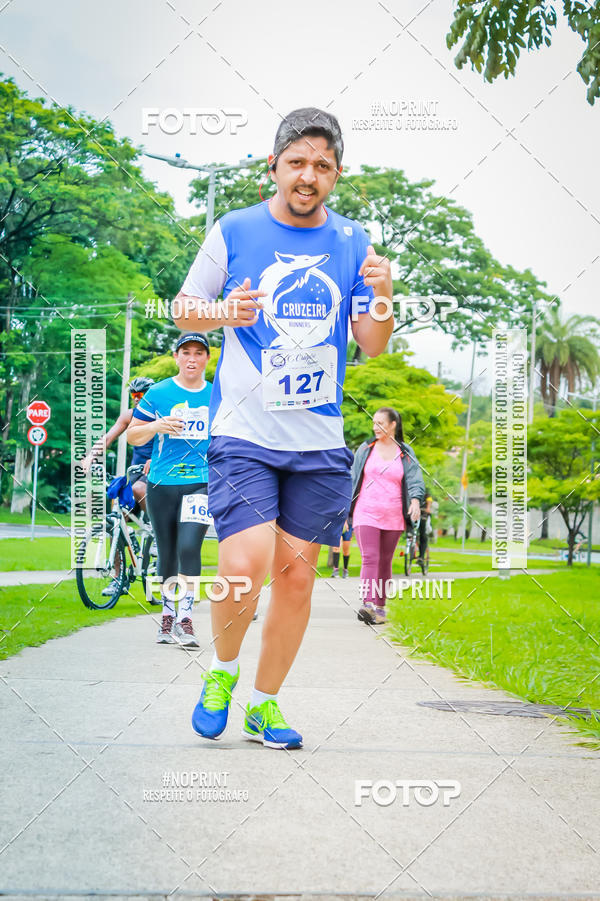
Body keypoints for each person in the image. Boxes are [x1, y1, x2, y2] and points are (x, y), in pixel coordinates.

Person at [173, 107, 394, 749]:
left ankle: (263, 705)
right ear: (273, 166)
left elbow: (372, 345)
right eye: (297, 161)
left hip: (318, 444)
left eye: (322, 165)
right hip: (245, 434)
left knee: (297, 577)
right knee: (243, 565)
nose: (308, 175)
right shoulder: (234, 229)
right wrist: (222, 311)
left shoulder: (354, 242)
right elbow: (185, 306)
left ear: (336, 175)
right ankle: (221, 672)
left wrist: (382, 293)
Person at [127, 333, 212, 648]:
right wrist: (154, 427)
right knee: (167, 552)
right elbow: (132, 436)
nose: (192, 359)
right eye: (186, 352)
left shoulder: (217, 396)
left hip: (200, 482)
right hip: (162, 484)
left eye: (199, 353)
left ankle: (186, 619)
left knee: (189, 547)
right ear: (177, 356)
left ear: (207, 358)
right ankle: (167, 614)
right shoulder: (158, 393)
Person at [349, 407, 425, 625]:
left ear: (393, 424)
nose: (375, 427)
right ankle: (368, 605)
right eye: (374, 423)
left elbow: (415, 479)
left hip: (393, 514)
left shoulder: (405, 451)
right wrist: (346, 510)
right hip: (366, 511)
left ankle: (380, 609)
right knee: (370, 557)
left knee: (385, 561)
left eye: (380, 423)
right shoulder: (366, 448)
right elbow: (353, 478)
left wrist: (415, 500)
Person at [83, 376, 155, 510]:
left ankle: (157, 527)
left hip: (156, 468)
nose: (136, 398)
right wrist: (91, 456)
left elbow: (173, 445)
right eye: (134, 394)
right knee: (119, 503)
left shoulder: (161, 415)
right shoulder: (129, 415)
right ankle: (121, 530)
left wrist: (156, 459)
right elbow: (108, 437)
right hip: (136, 469)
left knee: (138, 489)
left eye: (140, 394)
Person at [417, 489, 433, 566]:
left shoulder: (426, 493)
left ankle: (421, 557)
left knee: (423, 535)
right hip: (413, 515)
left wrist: (428, 508)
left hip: (423, 516)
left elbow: (429, 500)